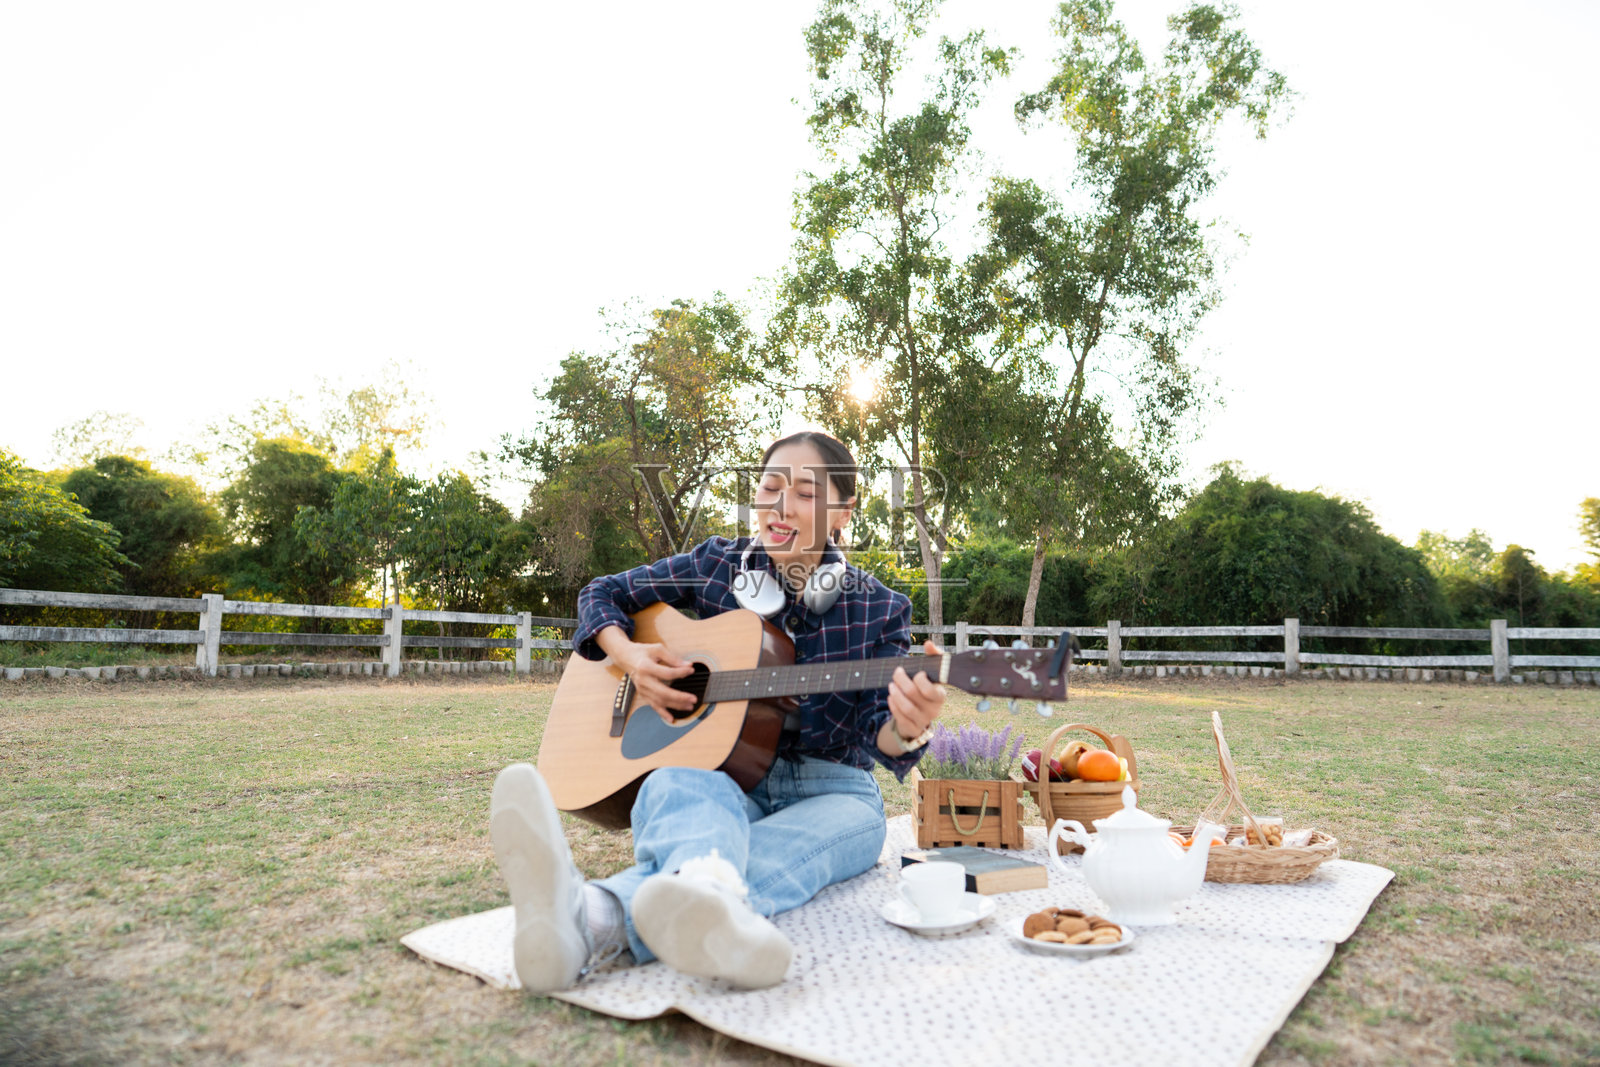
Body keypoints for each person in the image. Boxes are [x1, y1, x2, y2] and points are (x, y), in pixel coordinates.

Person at [489, 430, 948, 993]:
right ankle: (710, 909)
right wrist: (631, 657)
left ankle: (592, 915)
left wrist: (907, 725)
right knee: (674, 786)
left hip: (834, 791)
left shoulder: (880, 606)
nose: (780, 506)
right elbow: (601, 593)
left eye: (805, 493)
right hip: (720, 774)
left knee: (849, 826)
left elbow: (882, 731)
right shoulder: (716, 564)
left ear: (841, 513)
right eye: (770, 488)